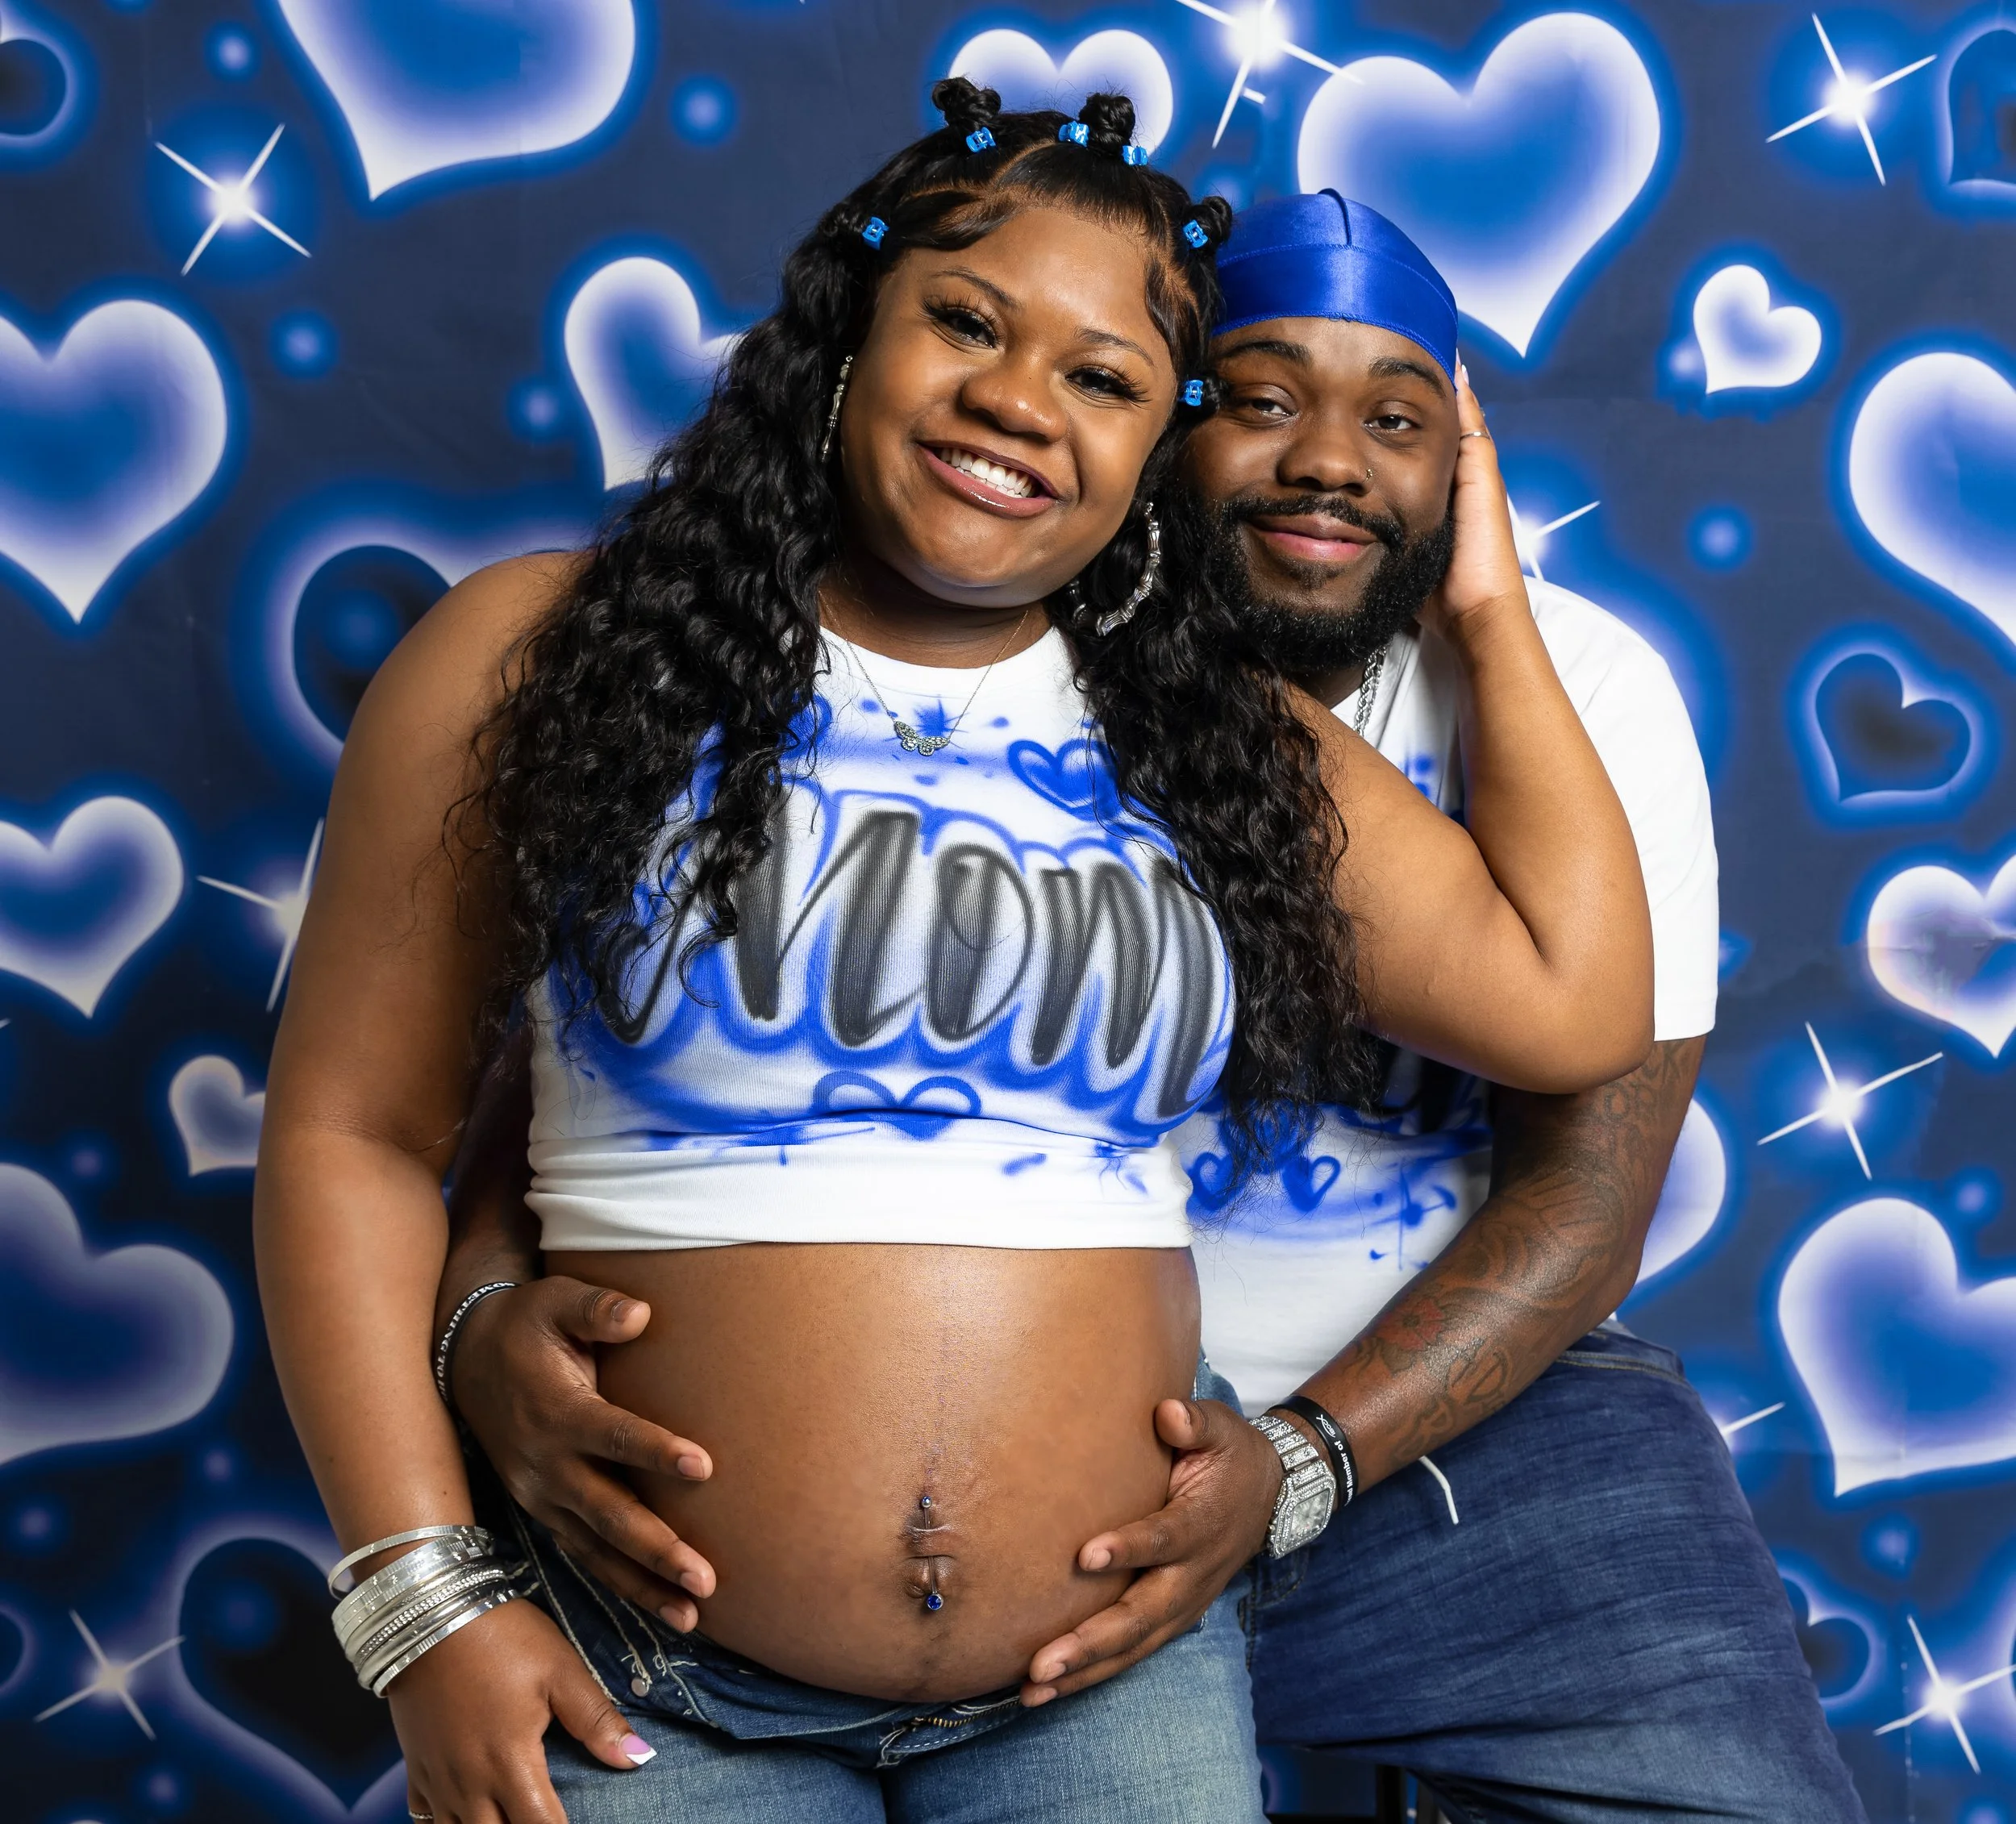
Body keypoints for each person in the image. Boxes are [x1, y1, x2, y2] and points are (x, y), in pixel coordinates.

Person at [258, 83, 1654, 1824]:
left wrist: (1481, 598)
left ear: (1157, 449)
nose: (1015, 401)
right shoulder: (544, 650)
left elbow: (1569, 996)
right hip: (647, 1674)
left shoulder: (1216, 740)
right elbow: (353, 1138)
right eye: (968, 322)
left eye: (1105, 378)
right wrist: (421, 1597)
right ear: (849, 336)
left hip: (1102, 1682)